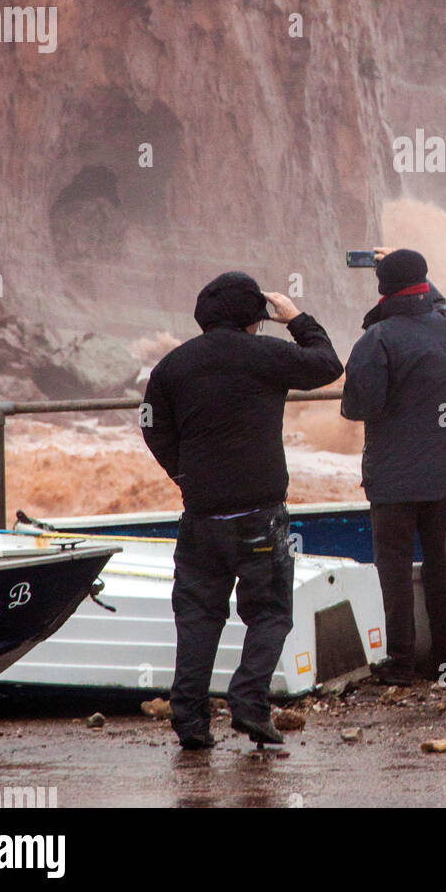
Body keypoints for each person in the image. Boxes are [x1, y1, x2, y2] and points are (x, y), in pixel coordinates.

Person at [141, 270, 343, 749]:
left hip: (201, 518)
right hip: (259, 515)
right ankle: (249, 702)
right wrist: (296, 319)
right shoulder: (267, 355)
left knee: (197, 617)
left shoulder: (172, 366)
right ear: (253, 318)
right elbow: (328, 364)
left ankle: (189, 720)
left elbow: (152, 426)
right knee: (270, 613)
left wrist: (183, 473)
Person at [341, 247, 446, 685]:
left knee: (393, 566)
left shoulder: (377, 339)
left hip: (394, 477)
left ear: (382, 287)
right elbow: (434, 298)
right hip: (444, 471)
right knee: (441, 561)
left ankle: (401, 662)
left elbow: (358, 407)